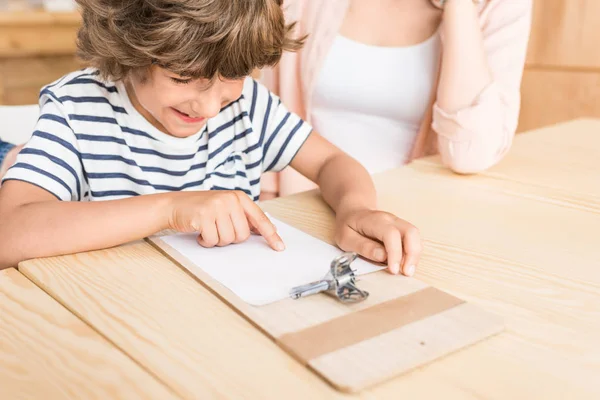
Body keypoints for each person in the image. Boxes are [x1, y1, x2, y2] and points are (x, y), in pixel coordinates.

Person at [0, 0, 421, 277]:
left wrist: (355, 208)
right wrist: (171, 208)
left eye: (233, 77)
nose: (209, 106)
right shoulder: (77, 108)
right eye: (184, 78)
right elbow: (10, 234)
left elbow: (332, 164)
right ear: (128, 49)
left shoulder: (247, 105)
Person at [259, 0, 532, 198]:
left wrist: (459, 6)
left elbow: (469, 154)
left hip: (417, 221)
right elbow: (264, 108)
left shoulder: (500, 6)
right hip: (303, 210)